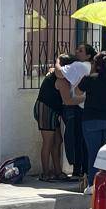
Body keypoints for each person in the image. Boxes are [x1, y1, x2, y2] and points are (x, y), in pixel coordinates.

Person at [77, 51, 106, 195]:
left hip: (91, 119)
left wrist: (90, 72)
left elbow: (78, 91)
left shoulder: (90, 79)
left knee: (93, 153)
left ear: (95, 65)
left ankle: (92, 184)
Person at [54, 43, 96, 181]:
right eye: (77, 49)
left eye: (81, 50)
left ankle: (77, 170)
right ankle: (84, 170)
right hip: (86, 105)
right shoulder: (89, 67)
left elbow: (59, 72)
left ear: (88, 55)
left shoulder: (79, 66)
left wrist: (58, 61)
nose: (77, 52)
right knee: (83, 139)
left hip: (76, 104)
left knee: (75, 138)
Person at [34, 54, 77, 182]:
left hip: (52, 110)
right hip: (46, 109)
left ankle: (58, 171)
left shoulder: (57, 74)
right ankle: (45, 173)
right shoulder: (61, 79)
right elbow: (68, 100)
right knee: (48, 142)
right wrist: (87, 98)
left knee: (58, 140)